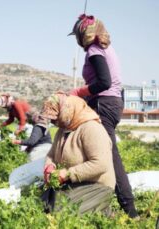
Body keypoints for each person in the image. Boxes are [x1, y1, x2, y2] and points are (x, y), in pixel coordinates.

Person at [68, 14, 138, 218]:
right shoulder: (105, 47)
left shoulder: (94, 50)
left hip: (103, 104)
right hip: (112, 103)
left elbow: (104, 83)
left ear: (83, 34)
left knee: (108, 157)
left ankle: (130, 211)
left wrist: (79, 92)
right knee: (97, 151)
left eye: (77, 36)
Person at [41, 92, 116, 215]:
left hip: (96, 185)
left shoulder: (91, 128)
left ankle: (104, 210)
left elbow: (101, 164)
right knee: (44, 204)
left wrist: (68, 173)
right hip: (73, 182)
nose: (54, 122)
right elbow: (51, 155)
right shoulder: (63, 130)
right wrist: (49, 166)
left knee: (63, 213)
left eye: (56, 117)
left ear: (66, 111)